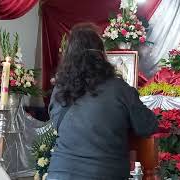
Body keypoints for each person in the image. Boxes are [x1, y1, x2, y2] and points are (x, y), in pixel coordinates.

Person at [47, 23, 158, 180]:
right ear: (102, 56)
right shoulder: (120, 89)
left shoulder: (60, 90)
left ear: (68, 57)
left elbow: (58, 124)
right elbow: (148, 126)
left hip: (59, 174)